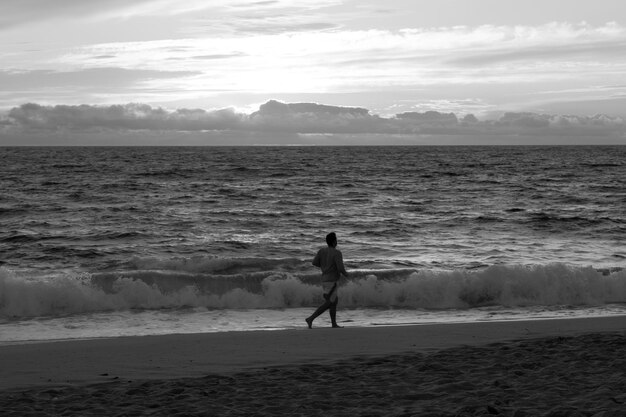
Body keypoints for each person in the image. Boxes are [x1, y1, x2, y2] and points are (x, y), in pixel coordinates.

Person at [306, 232, 349, 329]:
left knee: (333, 302)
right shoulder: (337, 253)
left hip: (324, 280)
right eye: (336, 240)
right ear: (334, 242)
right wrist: (347, 275)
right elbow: (340, 268)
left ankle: (334, 324)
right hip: (332, 281)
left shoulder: (322, 251)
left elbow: (314, 262)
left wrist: (325, 267)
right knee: (329, 303)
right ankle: (311, 318)